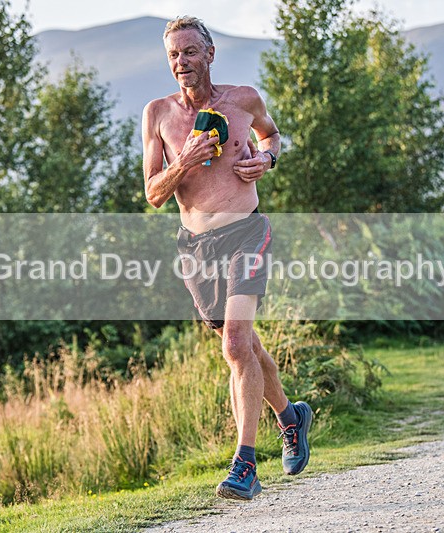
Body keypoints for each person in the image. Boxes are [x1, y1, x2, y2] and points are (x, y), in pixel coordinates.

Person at [141, 16, 312, 501]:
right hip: (195, 248)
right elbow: (154, 193)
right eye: (174, 55)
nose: (181, 63)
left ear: (210, 55)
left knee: (235, 345)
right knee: (248, 347)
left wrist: (267, 158)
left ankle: (245, 465)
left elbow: (272, 136)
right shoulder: (158, 114)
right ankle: (290, 416)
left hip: (246, 233)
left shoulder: (243, 99)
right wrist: (184, 162)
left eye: (190, 52)